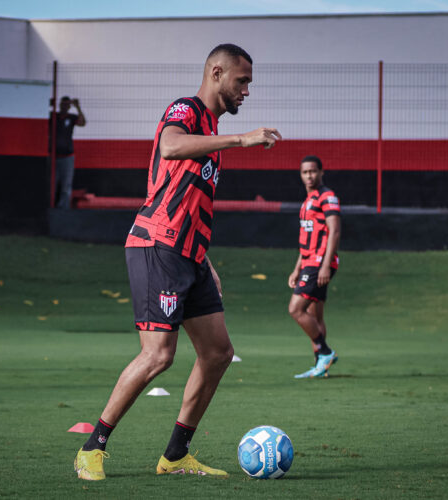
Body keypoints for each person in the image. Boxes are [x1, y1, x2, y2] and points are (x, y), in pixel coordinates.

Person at [74, 43, 282, 480]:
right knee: (158, 355)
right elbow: (169, 147)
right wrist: (242, 139)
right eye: (242, 81)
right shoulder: (185, 110)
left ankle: (174, 456)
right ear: (216, 72)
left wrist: (206, 262)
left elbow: (191, 203)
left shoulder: (211, 132)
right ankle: (92, 448)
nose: (247, 91)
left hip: (191, 255)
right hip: (157, 245)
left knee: (218, 353)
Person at [287, 155, 341, 378]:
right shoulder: (307, 201)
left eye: (312, 171)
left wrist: (325, 265)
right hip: (309, 263)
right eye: (305, 172)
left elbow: (334, 231)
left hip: (319, 264)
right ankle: (321, 365)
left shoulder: (327, 196)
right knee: (314, 315)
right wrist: (297, 268)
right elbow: (307, 238)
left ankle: (325, 352)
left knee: (295, 309)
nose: (309, 176)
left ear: (321, 172)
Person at [49, 96, 86, 209]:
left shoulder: (71, 117)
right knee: (52, 183)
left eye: (67, 104)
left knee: (66, 184)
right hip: (53, 156)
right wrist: (49, 105)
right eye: (62, 104)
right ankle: (51, 205)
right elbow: (42, 117)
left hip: (67, 157)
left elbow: (82, 123)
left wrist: (78, 107)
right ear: (59, 105)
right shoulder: (53, 116)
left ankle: (64, 207)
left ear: (69, 106)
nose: (64, 106)